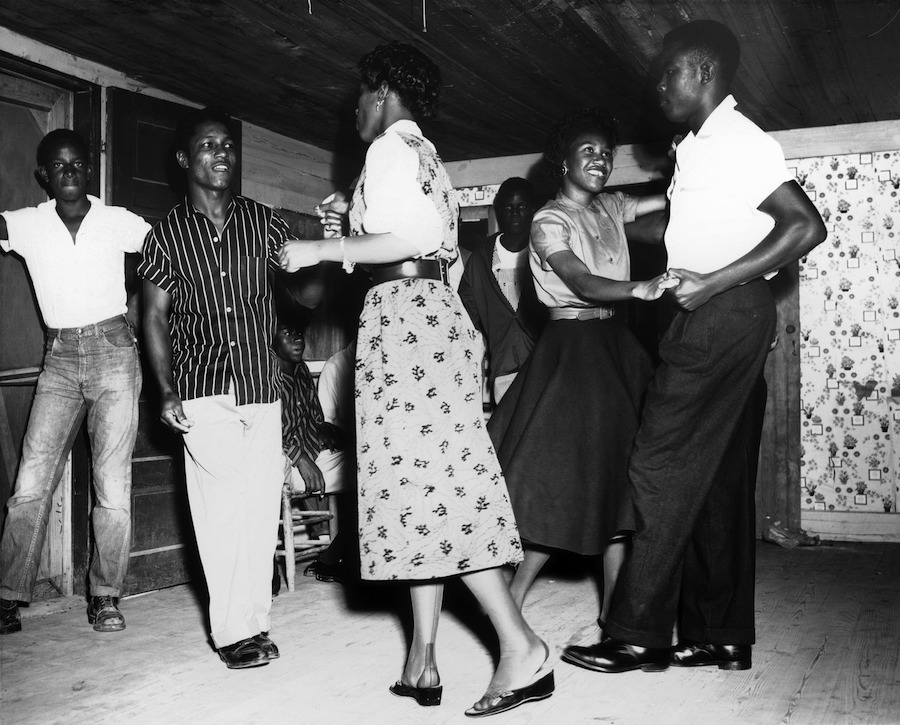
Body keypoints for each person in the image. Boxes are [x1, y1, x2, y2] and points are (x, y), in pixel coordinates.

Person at [280, 41, 553, 718]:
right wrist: (354, 225)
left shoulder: (387, 151)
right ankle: (422, 659)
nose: (354, 111)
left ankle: (520, 646)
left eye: (359, 96)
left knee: (437, 491)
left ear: (379, 93)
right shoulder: (426, 157)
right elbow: (439, 253)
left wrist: (323, 246)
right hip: (429, 319)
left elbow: (409, 238)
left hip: (406, 328)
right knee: (419, 488)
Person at [562, 20, 827, 674]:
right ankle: (721, 633)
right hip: (731, 313)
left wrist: (711, 281)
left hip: (719, 312)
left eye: (669, 72)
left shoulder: (735, 139)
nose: (658, 84)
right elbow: (698, 226)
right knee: (720, 477)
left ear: (703, 72)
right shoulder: (701, 146)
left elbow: (805, 225)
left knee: (657, 462)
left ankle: (638, 635)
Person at [486, 109, 668, 621]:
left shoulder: (612, 205)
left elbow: (670, 198)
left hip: (615, 346)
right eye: (588, 150)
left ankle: (615, 615)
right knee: (561, 483)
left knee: (618, 487)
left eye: (607, 152)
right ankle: (512, 603)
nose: (601, 159)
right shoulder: (548, 219)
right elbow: (582, 280)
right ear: (562, 161)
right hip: (573, 347)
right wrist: (638, 287)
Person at [139, 107, 290, 670]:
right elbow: (153, 317)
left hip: (261, 383)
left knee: (256, 514)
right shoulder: (167, 234)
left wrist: (330, 249)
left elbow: (309, 298)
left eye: (228, 145)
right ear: (184, 160)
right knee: (220, 513)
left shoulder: (265, 222)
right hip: (202, 387)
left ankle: (255, 623)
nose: (221, 153)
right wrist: (165, 388)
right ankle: (232, 633)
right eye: (207, 145)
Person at [0, 130, 148, 636]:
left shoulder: (116, 220)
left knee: (112, 488)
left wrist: (133, 310)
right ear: (44, 175)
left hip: (114, 355)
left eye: (78, 165)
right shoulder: (26, 225)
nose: (69, 174)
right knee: (29, 486)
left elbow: (167, 254)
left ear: (90, 170)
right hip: (59, 359)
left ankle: (105, 596)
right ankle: (7, 596)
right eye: (58, 167)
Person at [458, 177, 546, 404]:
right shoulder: (481, 257)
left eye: (522, 207)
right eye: (508, 207)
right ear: (499, 211)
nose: (515, 213)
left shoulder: (547, 251)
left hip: (545, 366)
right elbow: (466, 315)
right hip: (503, 368)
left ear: (533, 209)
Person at [302, 339, 358, 583]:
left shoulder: (378, 356)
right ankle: (332, 557)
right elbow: (326, 428)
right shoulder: (336, 366)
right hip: (336, 450)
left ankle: (338, 556)